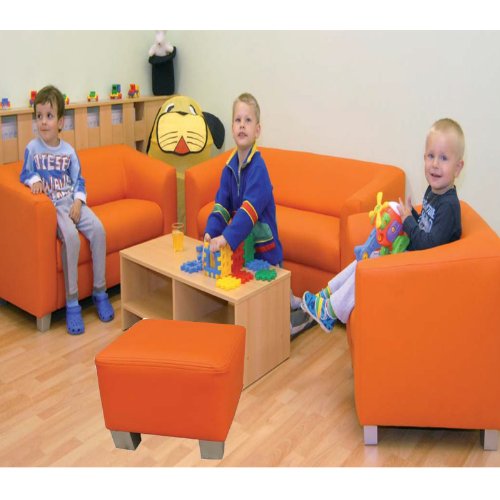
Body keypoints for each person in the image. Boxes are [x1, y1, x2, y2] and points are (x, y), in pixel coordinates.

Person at [302, 118, 464, 332]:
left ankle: (331, 310)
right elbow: (426, 228)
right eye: (431, 156)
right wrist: (411, 214)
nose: (435, 164)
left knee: (372, 264)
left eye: (443, 158)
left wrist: (407, 221)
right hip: (416, 258)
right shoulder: (433, 191)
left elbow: (430, 245)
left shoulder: (448, 206)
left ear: (458, 168)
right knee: (367, 258)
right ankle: (328, 294)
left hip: (427, 271)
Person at [203, 93, 313, 336]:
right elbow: (221, 205)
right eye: (238, 120)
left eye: (248, 120)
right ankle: (290, 300)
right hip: (246, 247)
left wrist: (226, 238)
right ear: (232, 127)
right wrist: (211, 231)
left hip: (265, 247)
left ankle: (295, 316)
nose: (242, 125)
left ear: (257, 130)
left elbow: (248, 212)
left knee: (272, 304)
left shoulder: (259, 169)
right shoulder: (229, 168)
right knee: (254, 295)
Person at [20, 85, 114, 335]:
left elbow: (79, 180)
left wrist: (78, 202)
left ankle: (100, 292)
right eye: (39, 116)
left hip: (72, 203)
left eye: (49, 116)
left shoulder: (69, 152)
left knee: (99, 230)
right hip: (53, 207)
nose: (43, 122)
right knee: (71, 238)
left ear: (60, 122)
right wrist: (34, 180)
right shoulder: (32, 149)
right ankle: (72, 303)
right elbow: (25, 173)